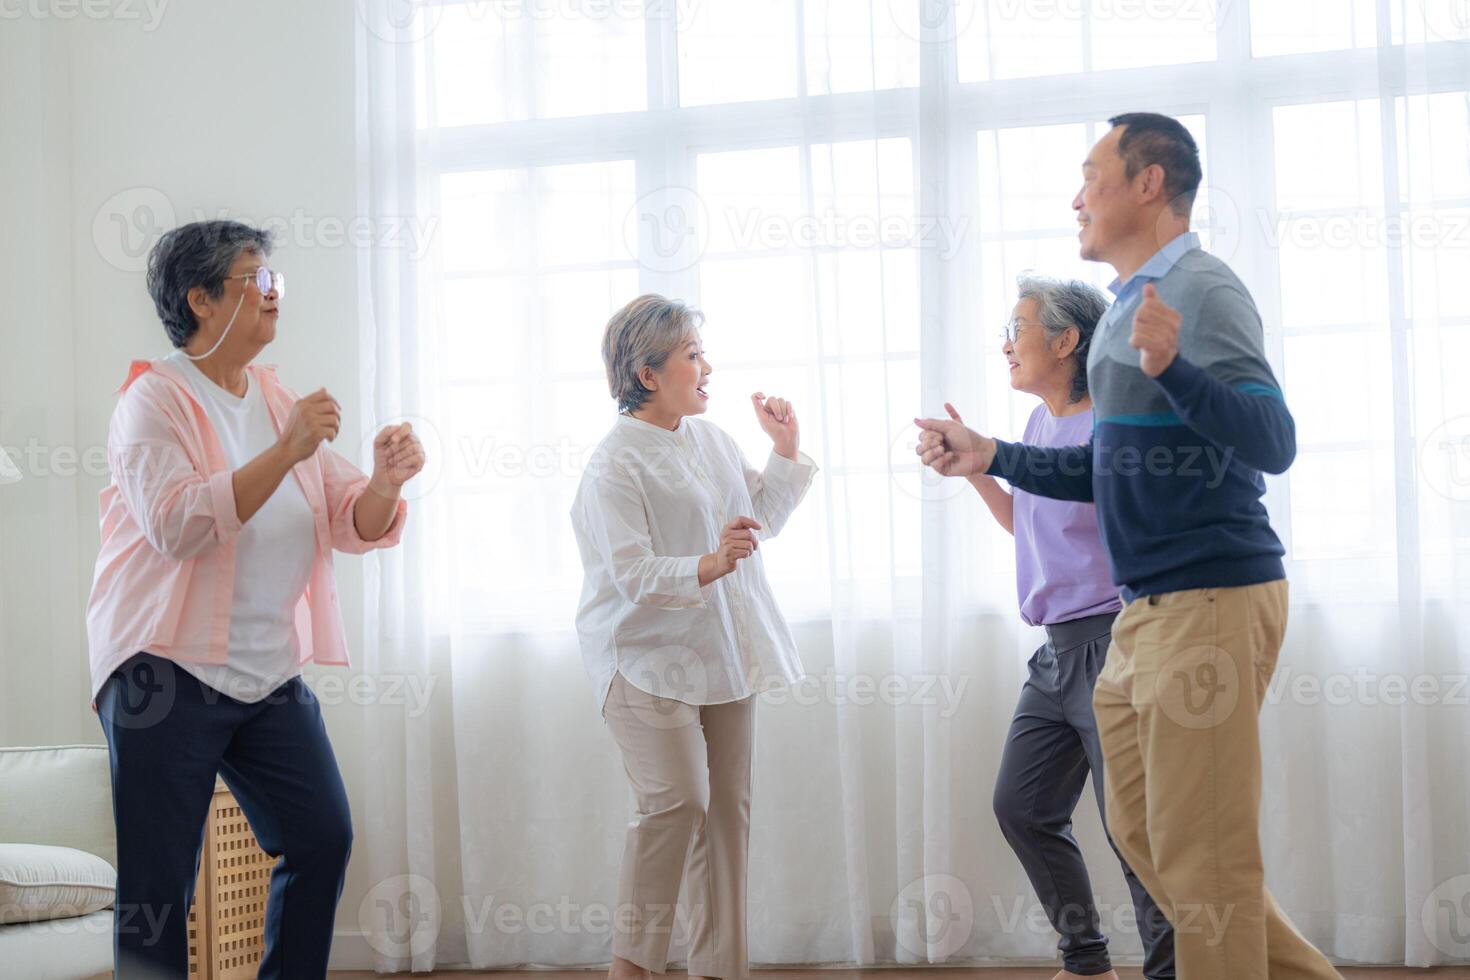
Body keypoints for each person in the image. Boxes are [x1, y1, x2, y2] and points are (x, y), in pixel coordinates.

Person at [915, 113, 1341, 979]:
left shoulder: (1202, 291)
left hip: (1211, 595)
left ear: (1149, 183)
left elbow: (1274, 440)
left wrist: (1177, 370)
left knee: (1207, 862)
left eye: (1091, 175)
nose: (1076, 197)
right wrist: (990, 456)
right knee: (1151, 839)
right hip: (1146, 612)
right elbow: (1102, 473)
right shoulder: (1120, 319)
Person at [86, 219, 425, 979]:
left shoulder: (275, 399)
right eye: (256, 281)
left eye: (276, 282)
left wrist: (383, 483)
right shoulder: (153, 401)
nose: (275, 296)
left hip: (265, 672)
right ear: (200, 298)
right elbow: (177, 524)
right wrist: (286, 451)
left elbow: (348, 519)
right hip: (162, 670)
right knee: (159, 885)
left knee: (320, 836)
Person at [570, 294, 817, 980]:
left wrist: (785, 451)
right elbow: (630, 572)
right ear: (648, 375)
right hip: (642, 661)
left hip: (724, 653)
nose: (708, 366)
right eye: (692, 355)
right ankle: (633, 965)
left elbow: (757, 517)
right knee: (678, 802)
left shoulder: (710, 440)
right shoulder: (613, 464)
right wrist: (709, 563)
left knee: (727, 817)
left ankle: (721, 969)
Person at [958, 274, 1174, 980]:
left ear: (1066, 339)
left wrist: (988, 456)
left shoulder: (1109, 422)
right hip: (1055, 652)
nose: (1006, 345)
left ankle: (1169, 972)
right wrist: (975, 472)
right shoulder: (1038, 424)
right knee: (1022, 805)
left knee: (1135, 834)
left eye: (1016, 329)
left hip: (1112, 641)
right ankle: (1087, 963)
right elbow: (1028, 524)